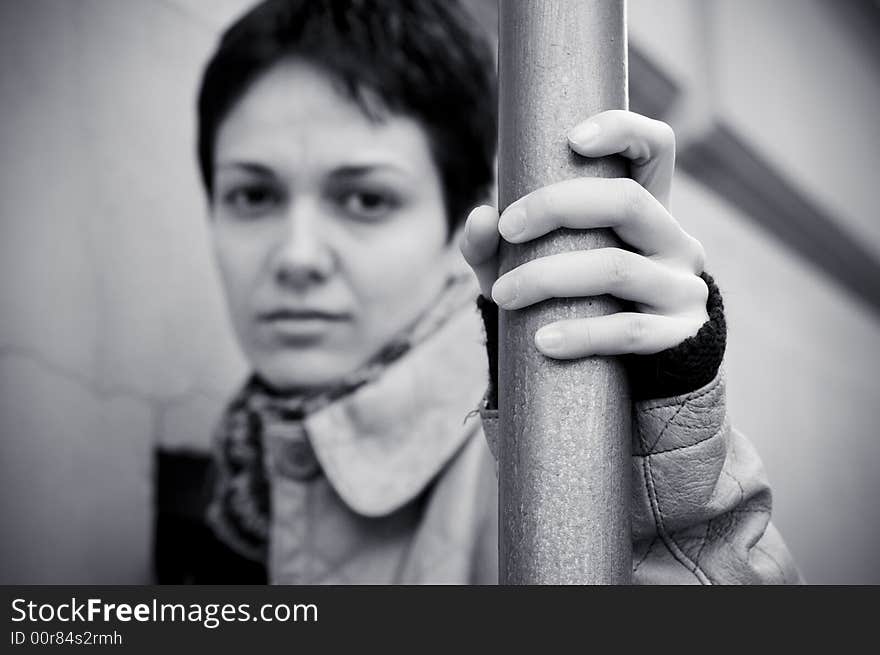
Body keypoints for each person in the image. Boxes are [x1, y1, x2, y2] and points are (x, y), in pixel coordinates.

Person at [154, 0, 801, 584]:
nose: (296, 257)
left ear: (461, 223)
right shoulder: (231, 476)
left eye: (366, 199)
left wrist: (664, 486)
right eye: (253, 194)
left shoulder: (539, 464)